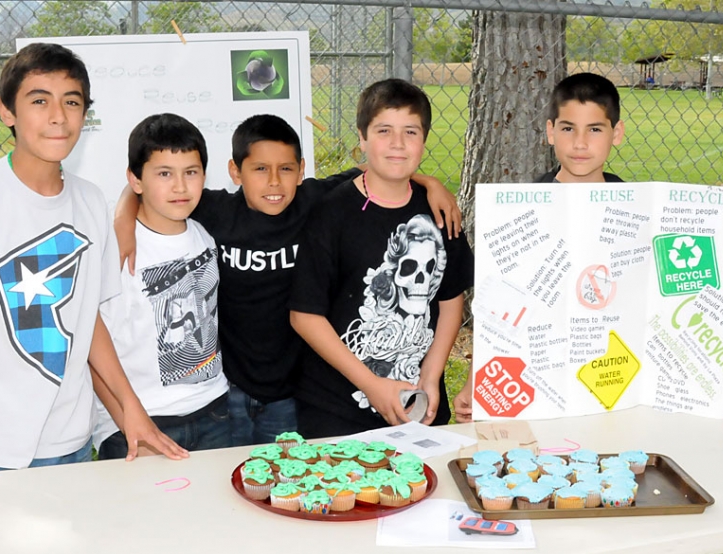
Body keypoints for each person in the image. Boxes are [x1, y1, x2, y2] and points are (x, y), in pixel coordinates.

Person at [0, 43, 187, 499]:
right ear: (7, 111)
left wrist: (131, 409)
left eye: (72, 101)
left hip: (73, 436)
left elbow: (88, 321)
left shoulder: (89, 203)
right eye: (39, 100)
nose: (58, 115)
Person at [114, 114, 462, 446]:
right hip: (230, 387)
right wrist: (122, 216)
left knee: (283, 478)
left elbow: (378, 168)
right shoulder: (213, 209)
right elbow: (152, 186)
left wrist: (431, 183)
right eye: (260, 169)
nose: (274, 182)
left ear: (301, 172)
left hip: (290, 391)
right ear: (235, 172)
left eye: (285, 169)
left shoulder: (313, 201)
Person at [453, 72, 723, 422]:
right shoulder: (523, 214)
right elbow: (505, 306)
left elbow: (670, 305)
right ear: (549, 132)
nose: (580, 143)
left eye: (594, 129)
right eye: (567, 129)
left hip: (617, 389)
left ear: (616, 134)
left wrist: (710, 393)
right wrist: (478, 387)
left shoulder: (642, 212)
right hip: (546, 393)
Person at [289, 78, 474, 437]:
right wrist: (372, 384)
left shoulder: (440, 212)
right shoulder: (331, 213)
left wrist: (431, 377)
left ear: (423, 140)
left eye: (410, 132)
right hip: (336, 410)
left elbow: (451, 301)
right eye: (384, 130)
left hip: (419, 405)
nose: (397, 144)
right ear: (362, 137)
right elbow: (304, 316)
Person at [92, 114, 230, 459]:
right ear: (135, 180)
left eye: (191, 172)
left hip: (215, 409)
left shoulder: (205, 234)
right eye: (164, 174)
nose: (180, 187)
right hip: (140, 421)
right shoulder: (114, 247)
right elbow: (88, 348)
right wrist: (127, 421)